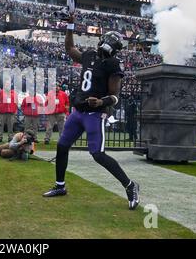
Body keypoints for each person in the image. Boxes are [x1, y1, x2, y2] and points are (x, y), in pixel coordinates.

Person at [43, 15, 140, 211]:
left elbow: (115, 97)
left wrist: (101, 101)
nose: (107, 44)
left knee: (98, 154)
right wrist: (70, 26)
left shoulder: (113, 64)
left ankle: (130, 186)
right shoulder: (89, 55)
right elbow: (69, 49)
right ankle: (60, 186)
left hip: (95, 114)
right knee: (62, 146)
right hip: (78, 112)